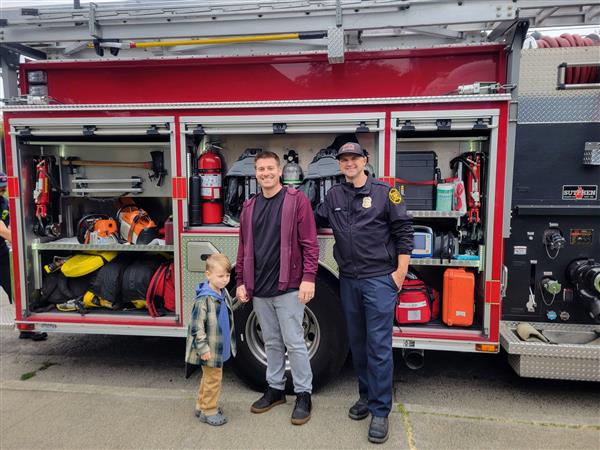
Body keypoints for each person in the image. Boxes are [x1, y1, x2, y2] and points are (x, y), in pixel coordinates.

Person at [315, 142, 413, 444]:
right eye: (344, 159)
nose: (349, 163)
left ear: (365, 161)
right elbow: (311, 218)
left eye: (354, 158)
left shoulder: (386, 193)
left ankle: (381, 411)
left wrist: (399, 274)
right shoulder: (333, 196)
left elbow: (404, 233)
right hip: (349, 280)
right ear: (340, 164)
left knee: (379, 346)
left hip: (379, 280)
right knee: (357, 343)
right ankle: (366, 397)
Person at [235, 151, 319, 425]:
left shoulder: (296, 201)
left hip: (289, 287)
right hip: (259, 288)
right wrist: (240, 282)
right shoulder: (249, 206)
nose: (266, 173)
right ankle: (275, 390)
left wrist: (309, 277)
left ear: (280, 171)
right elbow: (243, 248)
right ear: (255, 173)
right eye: (261, 169)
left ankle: (304, 394)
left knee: (294, 342)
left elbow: (310, 243)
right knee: (271, 341)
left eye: (270, 168)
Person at [185, 253, 237, 426]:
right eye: (220, 276)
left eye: (228, 275)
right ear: (208, 275)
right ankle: (210, 410)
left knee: (208, 378)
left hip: (218, 345)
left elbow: (226, 311)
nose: (225, 279)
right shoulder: (204, 299)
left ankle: (201, 405)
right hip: (210, 349)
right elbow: (196, 326)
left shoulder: (221, 292)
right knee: (214, 379)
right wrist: (203, 348)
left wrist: (239, 301)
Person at [0, 172, 47, 341]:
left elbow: (11, 224)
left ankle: (26, 328)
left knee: (15, 290)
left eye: (3, 187)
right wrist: (23, 241)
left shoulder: (4, 202)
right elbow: (2, 230)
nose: (2, 190)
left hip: (1, 254)